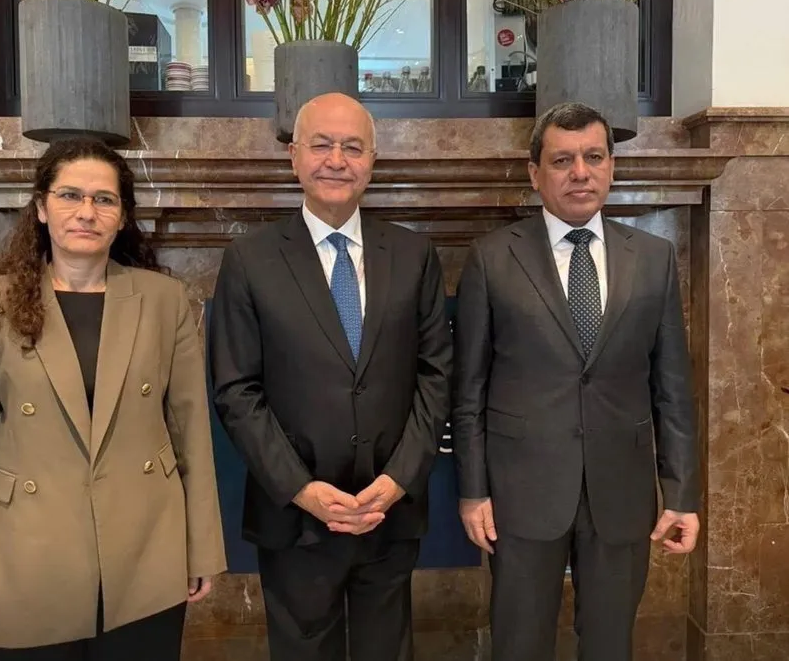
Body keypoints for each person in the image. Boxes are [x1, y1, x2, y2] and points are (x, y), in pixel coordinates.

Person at [0, 137, 227, 660]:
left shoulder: (164, 301)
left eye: (104, 199)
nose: (86, 212)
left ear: (122, 216)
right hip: (25, 560)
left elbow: (191, 433)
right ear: (42, 207)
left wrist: (202, 547)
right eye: (70, 195)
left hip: (144, 554)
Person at [451, 102, 700, 661]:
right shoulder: (492, 259)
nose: (580, 172)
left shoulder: (654, 259)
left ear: (612, 166)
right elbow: (467, 392)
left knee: (610, 644)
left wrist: (682, 494)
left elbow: (672, 389)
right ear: (535, 173)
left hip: (621, 491)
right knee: (519, 643)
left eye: (593, 157)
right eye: (562, 160)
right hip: (522, 493)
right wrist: (473, 490)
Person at [209, 92, 452, 661]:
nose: (336, 160)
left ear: (372, 160)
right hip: (295, 515)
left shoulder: (414, 254)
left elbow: (436, 374)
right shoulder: (250, 259)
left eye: (352, 147)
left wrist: (399, 479)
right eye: (321, 145)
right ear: (294, 156)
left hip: (388, 508)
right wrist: (302, 489)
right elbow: (236, 390)